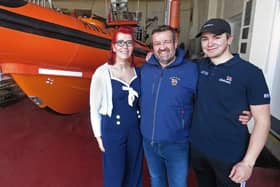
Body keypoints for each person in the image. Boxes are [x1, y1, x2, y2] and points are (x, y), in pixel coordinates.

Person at [190, 18, 271, 187]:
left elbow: (263, 121)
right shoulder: (198, 67)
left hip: (230, 157)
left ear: (229, 39)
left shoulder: (250, 73)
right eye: (205, 38)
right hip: (198, 150)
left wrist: (248, 163)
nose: (210, 43)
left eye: (217, 37)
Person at [140, 25, 198, 187]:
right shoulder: (145, 69)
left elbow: (208, 100)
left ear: (175, 43)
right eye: (157, 43)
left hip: (177, 144)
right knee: (156, 180)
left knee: (178, 184)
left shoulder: (191, 70)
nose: (162, 47)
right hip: (149, 141)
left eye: (166, 42)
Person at [89, 26, 143, 187]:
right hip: (113, 130)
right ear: (113, 47)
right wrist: (98, 136)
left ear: (133, 46)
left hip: (135, 129)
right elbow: (94, 108)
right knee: (115, 174)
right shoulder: (102, 73)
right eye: (120, 42)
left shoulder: (137, 71)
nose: (124, 47)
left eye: (128, 43)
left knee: (134, 172)